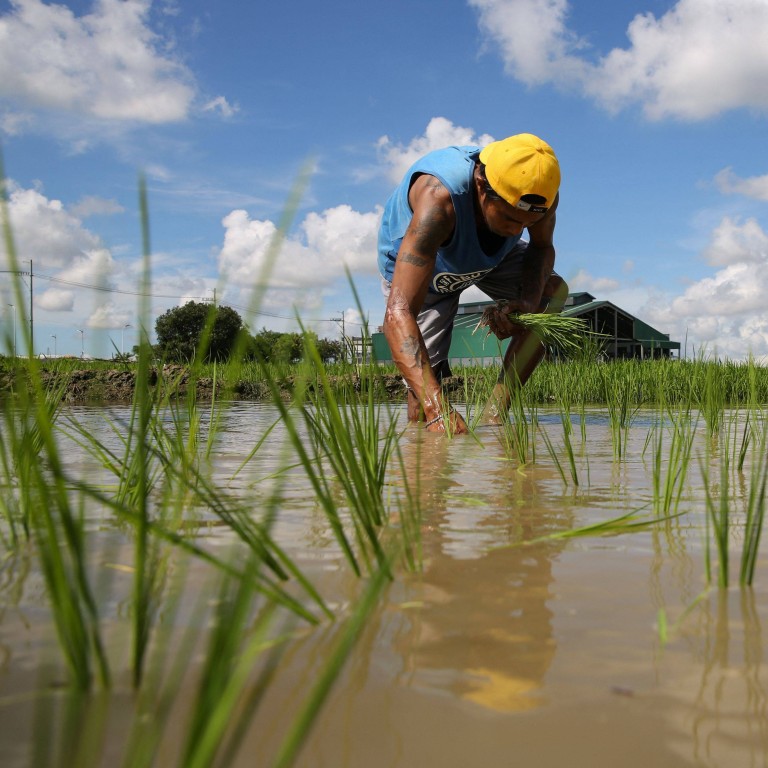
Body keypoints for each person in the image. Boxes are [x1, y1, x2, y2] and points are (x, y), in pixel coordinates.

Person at [378, 132, 568, 434]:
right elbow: (398, 315)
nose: (517, 230)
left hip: (491, 254)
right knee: (423, 394)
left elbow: (541, 248)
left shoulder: (540, 197)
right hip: (432, 259)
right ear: (482, 186)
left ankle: (494, 417)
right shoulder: (439, 200)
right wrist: (437, 409)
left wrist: (528, 307)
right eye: (510, 218)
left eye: (527, 224)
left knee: (553, 294)